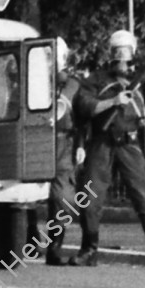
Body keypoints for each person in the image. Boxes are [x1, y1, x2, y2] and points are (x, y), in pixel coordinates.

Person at [72, 30, 145, 272]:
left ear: (133, 53)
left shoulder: (141, 81)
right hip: (102, 143)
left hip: (130, 145)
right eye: (118, 54)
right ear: (111, 54)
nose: (122, 60)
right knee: (89, 199)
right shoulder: (95, 80)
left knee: (144, 199)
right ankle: (89, 250)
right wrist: (113, 102)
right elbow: (85, 106)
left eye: (126, 55)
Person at [27, 38, 85, 266]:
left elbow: (79, 117)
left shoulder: (71, 84)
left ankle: (54, 246)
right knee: (26, 194)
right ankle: (30, 239)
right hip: (36, 139)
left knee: (62, 197)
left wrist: (81, 143)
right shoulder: (31, 82)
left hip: (63, 142)